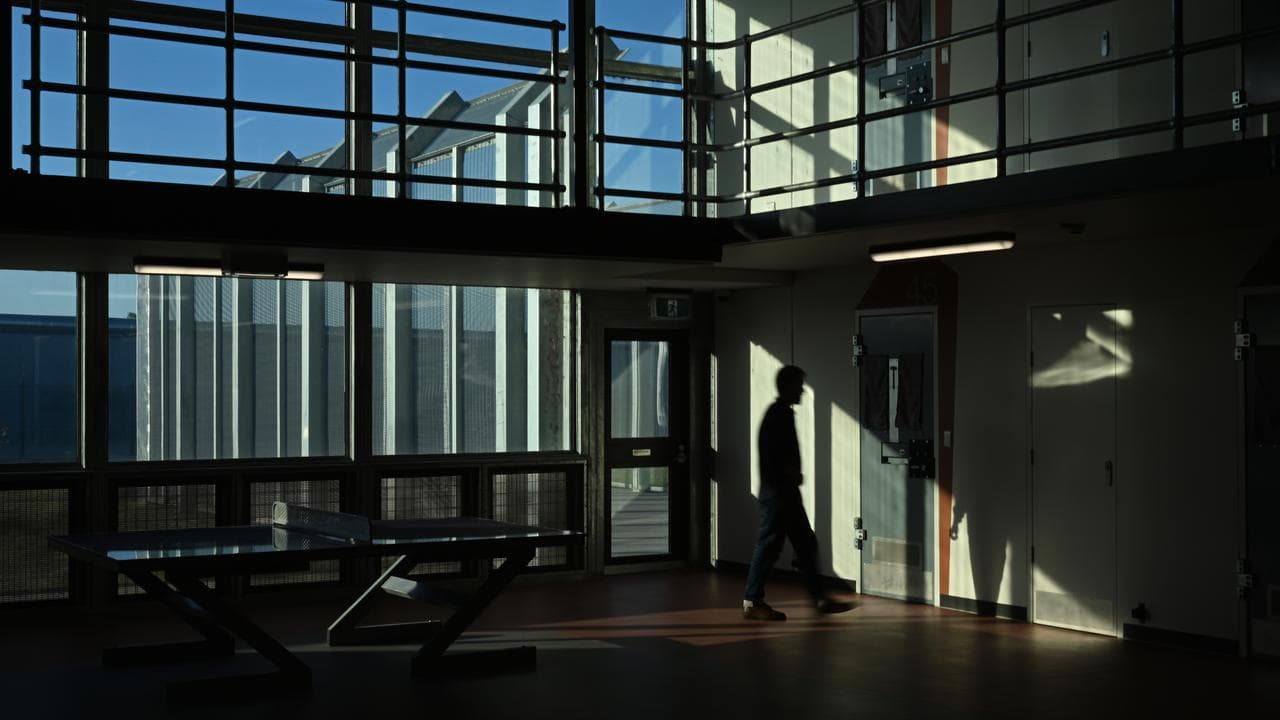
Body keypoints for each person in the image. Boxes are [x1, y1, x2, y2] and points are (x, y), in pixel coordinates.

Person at [743, 365, 853, 621]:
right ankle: (753, 600)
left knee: (801, 543)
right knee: (773, 545)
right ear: (789, 386)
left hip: (782, 493)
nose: (802, 390)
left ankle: (818, 598)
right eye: (799, 385)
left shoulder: (780, 413)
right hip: (780, 494)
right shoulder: (779, 416)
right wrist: (790, 473)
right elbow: (774, 456)